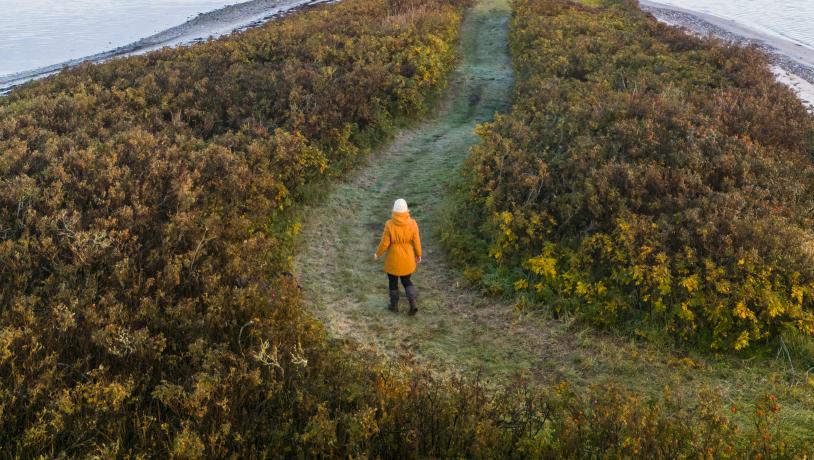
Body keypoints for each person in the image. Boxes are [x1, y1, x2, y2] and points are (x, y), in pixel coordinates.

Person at [374, 198, 422, 315]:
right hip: (407, 258)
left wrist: (377, 254)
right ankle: (413, 303)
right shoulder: (413, 223)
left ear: (394, 211)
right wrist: (418, 254)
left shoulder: (389, 224)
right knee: (406, 280)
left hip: (393, 259)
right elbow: (416, 241)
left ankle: (394, 306)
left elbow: (384, 243)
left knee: (393, 282)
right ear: (406, 210)